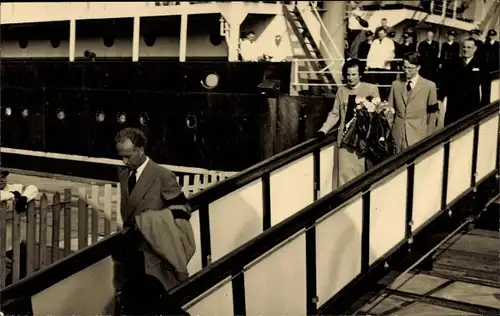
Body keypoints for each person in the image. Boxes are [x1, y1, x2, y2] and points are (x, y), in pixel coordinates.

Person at [112, 128, 196, 313]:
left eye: (127, 156)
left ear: (140, 150)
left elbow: (183, 209)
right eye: (121, 156)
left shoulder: (162, 175)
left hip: (153, 257)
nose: (124, 161)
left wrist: (148, 221)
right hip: (130, 254)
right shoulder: (124, 175)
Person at [316, 58, 380, 188]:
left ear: (360, 74)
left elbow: (376, 115)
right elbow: (335, 114)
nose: (350, 78)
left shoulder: (371, 89)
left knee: (360, 178)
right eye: (348, 75)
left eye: (354, 74)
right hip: (345, 141)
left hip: (362, 142)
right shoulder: (341, 91)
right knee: (343, 179)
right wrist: (323, 130)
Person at [387, 52, 439, 153]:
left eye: (410, 68)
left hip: (418, 136)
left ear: (418, 67)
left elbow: (432, 115)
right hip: (397, 136)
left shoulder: (429, 86)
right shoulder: (395, 85)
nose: (406, 71)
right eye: (404, 67)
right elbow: (390, 111)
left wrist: (428, 138)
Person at [444, 38, 490, 126]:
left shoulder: (481, 64)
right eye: (464, 47)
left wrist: (484, 107)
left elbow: (486, 88)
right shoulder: (453, 63)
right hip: (453, 105)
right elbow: (446, 82)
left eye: (469, 47)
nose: (465, 50)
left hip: (471, 105)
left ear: (475, 49)